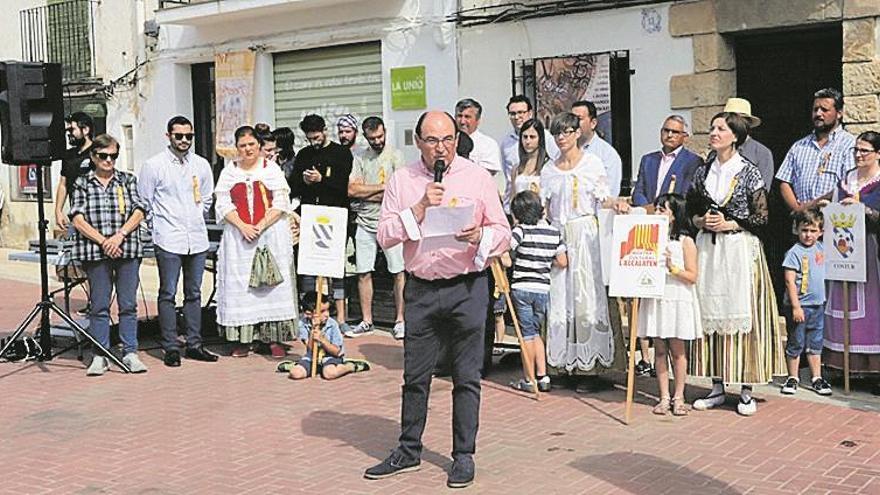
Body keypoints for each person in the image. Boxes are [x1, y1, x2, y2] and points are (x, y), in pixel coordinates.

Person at [364, 111, 510, 489]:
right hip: (422, 289)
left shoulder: (477, 177)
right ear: (418, 142)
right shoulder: (402, 179)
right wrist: (418, 209)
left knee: (467, 377)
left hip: (468, 287)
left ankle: (463, 455)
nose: (441, 148)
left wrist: (481, 236)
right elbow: (384, 234)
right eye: (432, 140)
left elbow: (504, 232)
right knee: (415, 376)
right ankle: (408, 449)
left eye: (448, 139)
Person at [687, 112, 785, 416]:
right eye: (713, 128)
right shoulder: (702, 172)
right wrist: (701, 220)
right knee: (711, 310)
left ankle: (745, 389)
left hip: (740, 250)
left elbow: (762, 217)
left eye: (720, 129)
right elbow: (689, 209)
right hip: (709, 251)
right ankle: (716, 386)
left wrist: (730, 224)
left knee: (744, 312)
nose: (713, 133)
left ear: (735, 136)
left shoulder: (749, 171)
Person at [540, 112, 624, 386]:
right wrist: (553, 243)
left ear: (577, 132)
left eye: (566, 132)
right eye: (557, 134)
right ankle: (563, 365)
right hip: (560, 235)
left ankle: (593, 368)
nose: (561, 138)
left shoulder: (592, 163)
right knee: (561, 299)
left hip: (586, 237)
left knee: (587, 299)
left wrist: (619, 204)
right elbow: (545, 210)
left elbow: (602, 198)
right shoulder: (549, 169)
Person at [138, 115, 219, 367]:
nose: (184, 140)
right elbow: (144, 201)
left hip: (195, 237)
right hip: (168, 238)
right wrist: (157, 228)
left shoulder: (202, 164)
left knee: (194, 293)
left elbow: (207, 198)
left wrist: (196, 217)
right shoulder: (154, 165)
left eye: (189, 136)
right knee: (168, 293)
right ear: (168, 136)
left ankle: (194, 344)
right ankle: (170, 346)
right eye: (179, 136)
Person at [628, 114, 703, 376]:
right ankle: (647, 357)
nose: (670, 135)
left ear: (685, 136)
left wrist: (667, 209)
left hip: (675, 228)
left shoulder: (693, 162)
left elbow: (688, 195)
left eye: (675, 132)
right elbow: (638, 190)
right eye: (666, 130)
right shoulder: (649, 159)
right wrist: (648, 208)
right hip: (649, 228)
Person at [214, 126, 298, 358]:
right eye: (243, 145)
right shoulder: (229, 172)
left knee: (272, 288)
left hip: (270, 235)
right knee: (241, 288)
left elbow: (281, 202)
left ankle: (273, 339)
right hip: (239, 238)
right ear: (237, 148)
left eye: (251, 144)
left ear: (259, 146)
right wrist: (242, 226)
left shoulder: (271, 169)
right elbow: (222, 204)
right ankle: (244, 339)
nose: (248, 149)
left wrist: (260, 226)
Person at [69, 134, 147, 376]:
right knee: (99, 305)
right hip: (96, 251)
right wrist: (104, 241)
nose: (108, 160)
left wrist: (119, 236)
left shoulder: (127, 180)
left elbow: (140, 210)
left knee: (128, 304)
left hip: (126, 248)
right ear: (93, 157)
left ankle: (130, 351)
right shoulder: (83, 183)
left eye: (113, 156)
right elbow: (77, 217)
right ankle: (100, 354)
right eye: (103, 156)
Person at [820, 131, 880, 396]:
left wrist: (863, 208)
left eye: (865, 151)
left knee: (871, 306)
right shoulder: (846, 180)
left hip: (871, 249)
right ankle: (841, 366)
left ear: (878, 154)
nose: (859, 155)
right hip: (842, 250)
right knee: (841, 304)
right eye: (856, 150)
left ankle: (874, 369)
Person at [639, 193, 701, 416]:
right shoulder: (649, 237)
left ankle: (679, 396)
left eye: (662, 210)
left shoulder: (685, 241)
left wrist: (672, 267)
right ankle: (663, 396)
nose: (657, 213)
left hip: (676, 296)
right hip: (656, 296)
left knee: (677, 350)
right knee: (659, 349)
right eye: (656, 209)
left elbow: (693, 275)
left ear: (674, 215)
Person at [290, 114, 353, 333]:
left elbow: (345, 185)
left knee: (335, 268)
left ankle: (341, 317)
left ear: (325, 130)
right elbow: (294, 186)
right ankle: (311, 313)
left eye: (316, 137)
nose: (314, 142)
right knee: (309, 267)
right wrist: (305, 181)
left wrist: (322, 180)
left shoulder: (341, 154)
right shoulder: (304, 155)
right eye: (310, 138)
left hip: (335, 215)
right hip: (310, 215)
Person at [346, 116, 407, 339]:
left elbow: (397, 192)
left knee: (398, 271)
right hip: (365, 220)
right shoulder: (359, 156)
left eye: (380, 136)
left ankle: (400, 319)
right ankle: (366, 320)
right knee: (363, 271)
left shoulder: (396, 155)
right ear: (365, 137)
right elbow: (352, 190)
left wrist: (367, 191)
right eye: (372, 138)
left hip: (391, 220)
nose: (377, 141)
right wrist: (381, 188)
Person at [507, 190, 567, 393]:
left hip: (522, 286)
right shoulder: (553, 232)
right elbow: (562, 261)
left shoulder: (520, 230)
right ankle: (543, 376)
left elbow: (506, 249)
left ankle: (528, 378)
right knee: (536, 332)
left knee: (526, 334)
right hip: (543, 287)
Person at [776, 88, 856, 213]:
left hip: (834, 221)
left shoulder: (849, 144)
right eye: (815, 109)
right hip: (803, 224)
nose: (818, 114)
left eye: (824, 110)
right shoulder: (799, 146)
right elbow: (784, 182)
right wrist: (797, 210)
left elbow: (848, 185)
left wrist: (811, 206)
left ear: (839, 113)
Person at [779, 207, 830, 395]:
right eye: (804, 230)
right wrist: (795, 306)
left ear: (821, 232)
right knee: (796, 341)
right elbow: (789, 280)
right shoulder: (794, 252)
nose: (808, 235)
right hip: (800, 307)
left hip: (818, 305)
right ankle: (792, 377)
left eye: (813, 231)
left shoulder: (822, 248)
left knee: (815, 343)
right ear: (797, 230)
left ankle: (816, 377)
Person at [277, 292, 371, 380]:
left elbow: (336, 351)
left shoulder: (332, 324)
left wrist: (322, 340)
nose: (327, 314)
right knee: (295, 374)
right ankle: (299, 365)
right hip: (312, 357)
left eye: (327, 310)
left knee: (329, 374)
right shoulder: (303, 324)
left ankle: (349, 366)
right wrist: (313, 329)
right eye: (322, 311)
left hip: (331, 356)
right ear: (308, 314)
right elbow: (309, 348)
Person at [500, 96, 559, 210]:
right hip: (513, 207)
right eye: (512, 113)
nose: (517, 117)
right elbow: (508, 176)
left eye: (521, 112)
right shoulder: (506, 142)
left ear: (530, 113)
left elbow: (555, 163)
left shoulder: (546, 137)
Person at [571, 100, 622, 197]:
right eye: (571, 119)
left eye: (579, 119)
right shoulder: (563, 150)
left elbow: (610, 193)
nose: (574, 123)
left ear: (593, 123)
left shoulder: (607, 154)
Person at [721, 98, 774, 191]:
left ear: (747, 124)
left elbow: (762, 192)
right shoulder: (716, 152)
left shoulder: (762, 153)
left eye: (737, 121)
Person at [55, 111, 94, 231]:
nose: (69, 134)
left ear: (85, 130)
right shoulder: (69, 155)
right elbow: (63, 184)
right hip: (76, 213)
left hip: (95, 212)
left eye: (72, 130)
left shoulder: (97, 153)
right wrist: (58, 210)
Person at [455, 98, 502, 175]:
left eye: (467, 117)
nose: (462, 121)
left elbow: (488, 173)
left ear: (478, 120)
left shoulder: (488, 144)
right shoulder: (447, 141)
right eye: (459, 116)